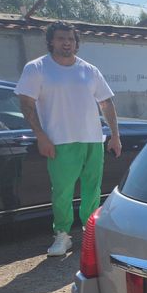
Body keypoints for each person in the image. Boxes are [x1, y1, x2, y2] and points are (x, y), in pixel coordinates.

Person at [16, 21, 121, 256]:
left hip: (92, 139)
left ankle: (90, 232)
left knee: (92, 190)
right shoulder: (37, 68)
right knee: (62, 191)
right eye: (62, 38)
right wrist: (41, 136)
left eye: (71, 39)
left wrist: (115, 135)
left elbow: (106, 102)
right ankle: (62, 235)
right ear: (51, 41)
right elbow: (26, 103)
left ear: (76, 42)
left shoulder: (89, 70)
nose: (67, 43)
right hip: (59, 140)